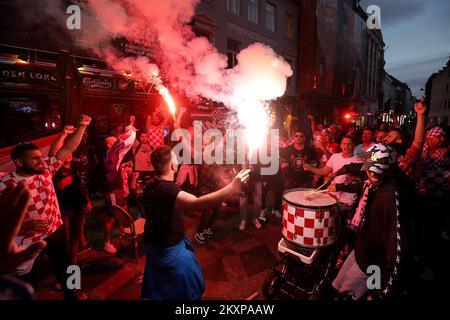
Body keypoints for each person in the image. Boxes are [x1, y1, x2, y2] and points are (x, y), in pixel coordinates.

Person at [0, 114, 92, 300]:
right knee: (28, 279)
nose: (41, 161)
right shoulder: (5, 184)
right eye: (34, 158)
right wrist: (22, 226)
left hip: (55, 230)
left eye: (41, 157)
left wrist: (82, 126)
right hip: (27, 239)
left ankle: (71, 291)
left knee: (68, 264)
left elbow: (67, 147)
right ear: (18, 163)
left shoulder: (45, 170)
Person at [141, 146, 250, 300]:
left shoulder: (150, 185)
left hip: (153, 245)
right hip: (169, 251)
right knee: (188, 291)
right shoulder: (170, 190)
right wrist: (231, 188)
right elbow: (196, 204)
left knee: (162, 287)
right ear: (173, 165)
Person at [331, 144, 404, 300]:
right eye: (370, 169)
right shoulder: (373, 185)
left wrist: (378, 293)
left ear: (388, 169)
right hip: (359, 252)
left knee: (344, 297)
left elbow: (398, 255)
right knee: (335, 287)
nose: (372, 174)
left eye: (378, 170)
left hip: (372, 265)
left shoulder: (391, 198)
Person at [103, 125, 136, 254]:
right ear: (109, 145)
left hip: (119, 190)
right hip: (113, 192)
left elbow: (116, 169)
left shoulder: (113, 157)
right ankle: (107, 242)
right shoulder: (110, 156)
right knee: (111, 217)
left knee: (123, 214)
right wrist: (130, 131)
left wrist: (124, 167)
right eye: (114, 141)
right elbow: (111, 172)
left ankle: (123, 239)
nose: (117, 142)